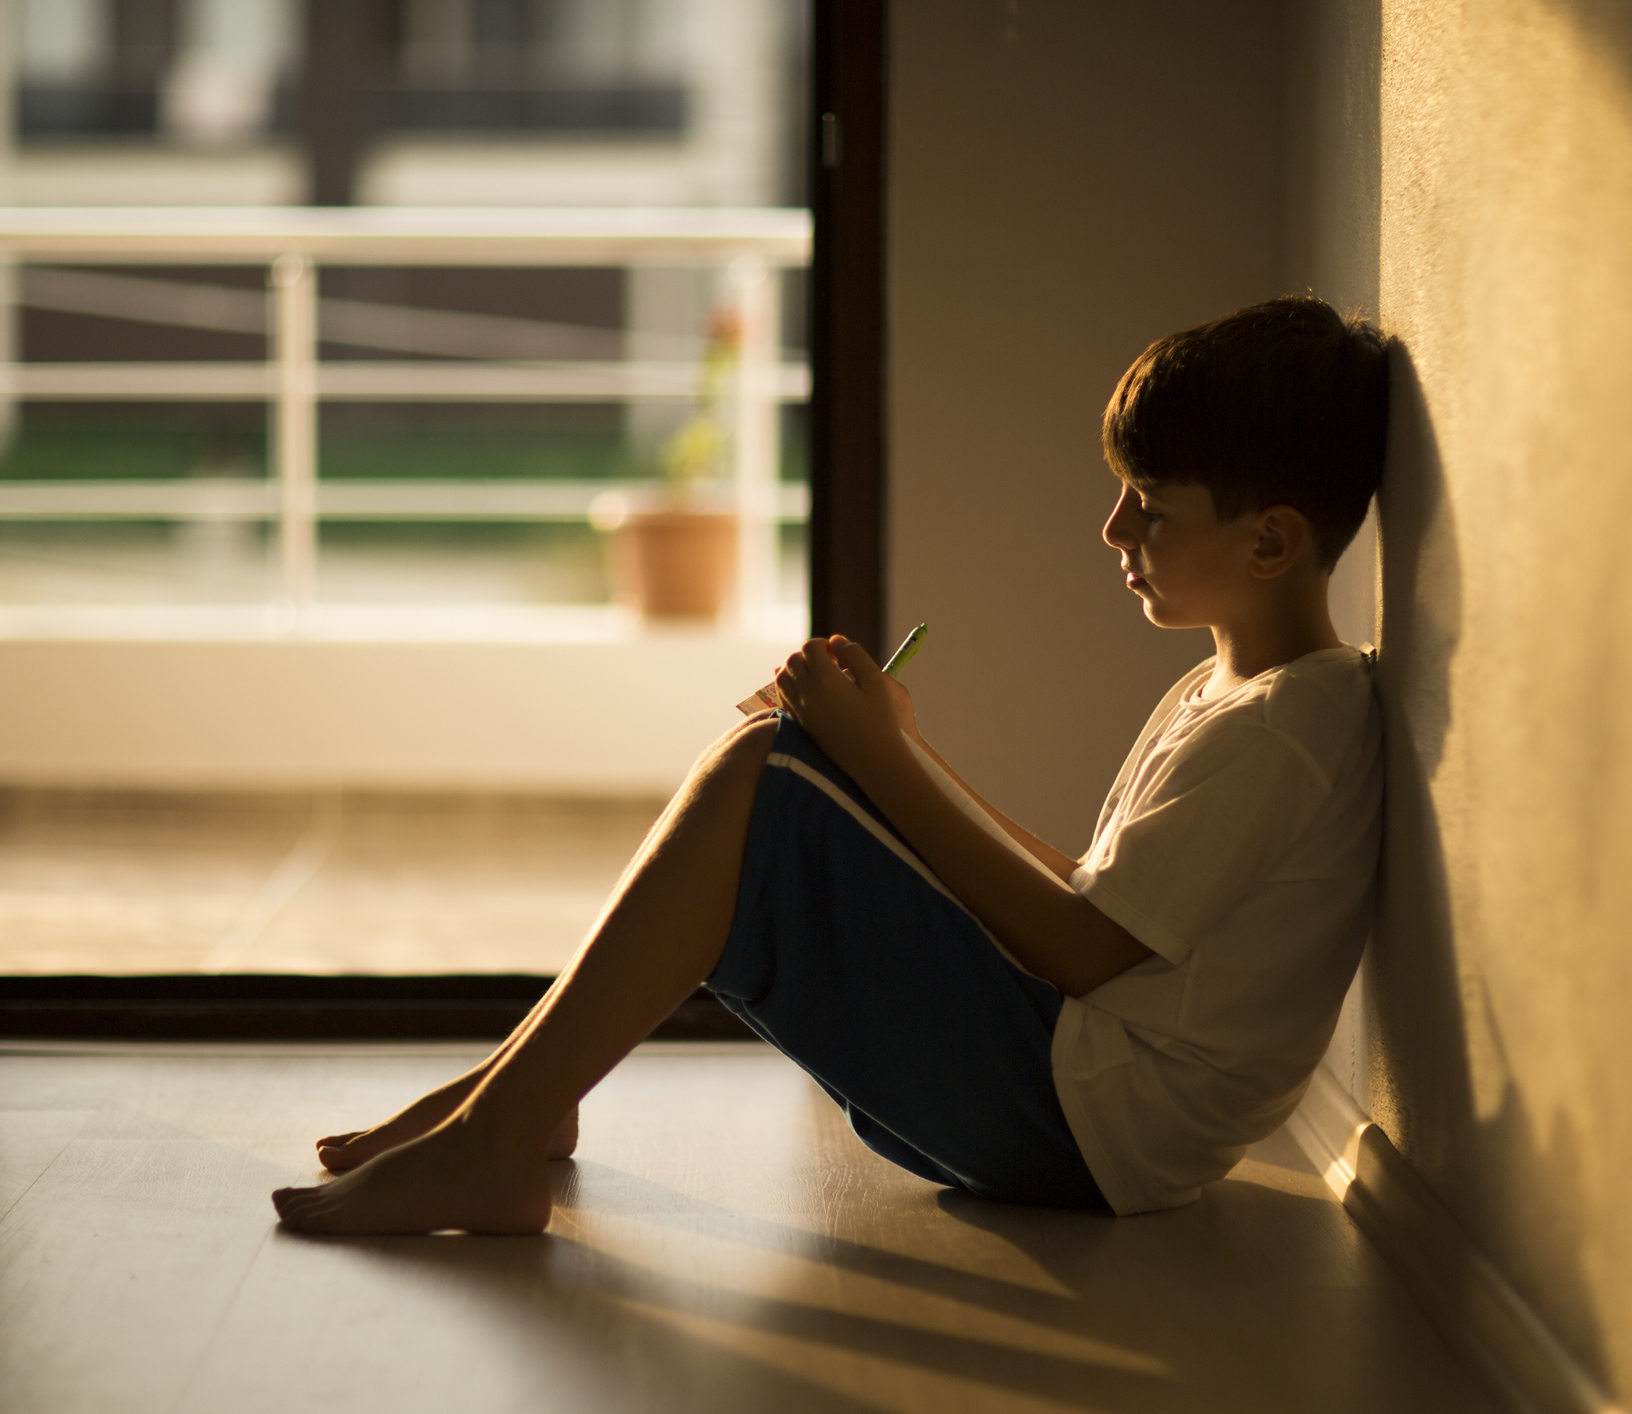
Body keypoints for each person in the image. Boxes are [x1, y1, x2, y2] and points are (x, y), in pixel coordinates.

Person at [272, 295, 1391, 1235]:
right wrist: (890, 759)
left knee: (771, 774)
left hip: (1091, 1125)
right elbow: (1096, 905)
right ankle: (517, 1101)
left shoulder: (1287, 726)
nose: (1112, 531)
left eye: (1147, 506)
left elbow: (1083, 951)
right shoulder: (1231, 691)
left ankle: (504, 1130)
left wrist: (886, 765)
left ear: (1269, 541)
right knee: (786, 767)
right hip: (1082, 1100)